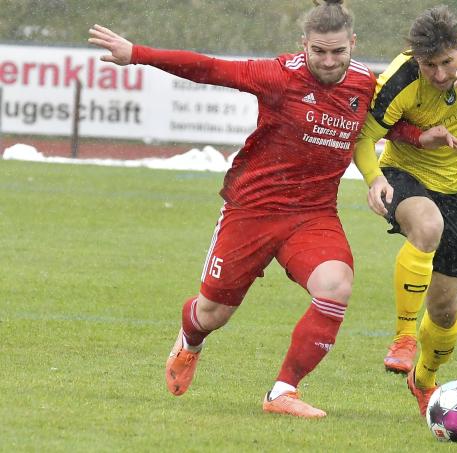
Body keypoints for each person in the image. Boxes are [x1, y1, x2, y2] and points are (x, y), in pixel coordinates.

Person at [88, 0, 379, 419]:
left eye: (338, 51)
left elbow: (395, 121)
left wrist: (428, 137)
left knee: (336, 286)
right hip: (252, 210)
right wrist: (138, 54)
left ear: (353, 44)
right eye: (320, 51)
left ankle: (282, 392)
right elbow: (209, 68)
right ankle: (190, 338)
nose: (329, 61)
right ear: (304, 45)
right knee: (213, 313)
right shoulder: (280, 75)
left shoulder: (366, 83)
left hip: (313, 215)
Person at [352, 5, 457, 416]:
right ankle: (403, 338)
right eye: (428, 65)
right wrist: (374, 179)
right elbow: (365, 137)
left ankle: (423, 378)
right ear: (413, 57)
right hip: (403, 175)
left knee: (444, 310)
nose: (439, 75)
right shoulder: (398, 79)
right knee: (427, 224)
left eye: (446, 63)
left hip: (456, 190)